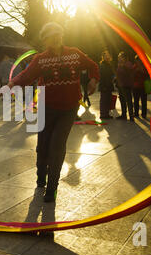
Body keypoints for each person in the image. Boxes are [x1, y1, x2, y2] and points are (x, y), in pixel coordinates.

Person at [7, 22, 100, 203]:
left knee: (58, 145)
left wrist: (94, 80)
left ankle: (52, 188)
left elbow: (93, 65)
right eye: (50, 36)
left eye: (57, 34)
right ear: (45, 40)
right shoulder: (40, 59)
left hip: (69, 108)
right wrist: (11, 84)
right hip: (46, 107)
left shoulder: (74, 53)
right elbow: (26, 76)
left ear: (61, 36)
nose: (55, 38)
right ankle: (41, 176)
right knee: (43, 146)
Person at [116, 51, 135, 121]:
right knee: (122, 101)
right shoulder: (119, 64)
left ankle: (131, 116)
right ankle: (123, 114)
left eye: (120, 57)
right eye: (118, 57)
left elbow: (129, 72)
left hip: (126, 85)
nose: (119, 58)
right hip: (120, 85)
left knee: (128, 101)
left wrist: (123, 66)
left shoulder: (128, 64)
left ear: (124, 57)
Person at [98, 50, 115, 119]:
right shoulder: (103, 65)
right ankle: (103, 114)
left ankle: (106, 114)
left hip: (109, 85)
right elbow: (102, 76)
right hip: (104, 86)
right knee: (104, 100)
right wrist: (104, 86)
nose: (107, 56)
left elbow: (110, 74)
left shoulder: (108, 64)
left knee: (107, 100)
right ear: (103, 57)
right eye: (105, 55)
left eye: (108, 55)